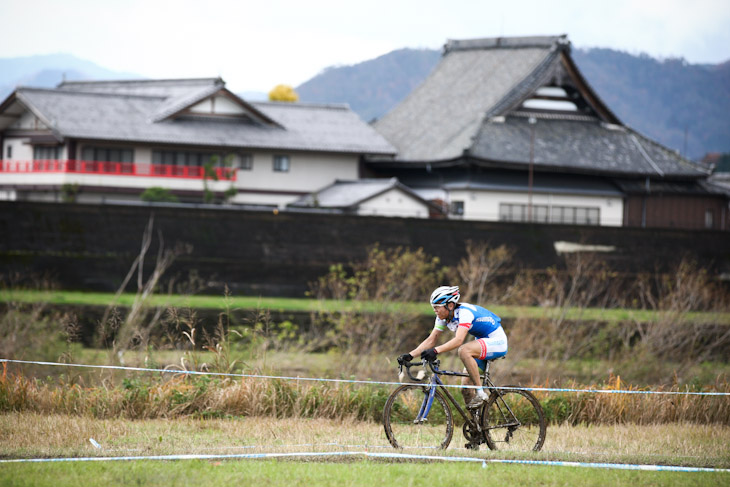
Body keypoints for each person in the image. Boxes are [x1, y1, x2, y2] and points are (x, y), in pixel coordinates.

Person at [398, 285, 507, 408]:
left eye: (437, 307)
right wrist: (410, 355)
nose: (435, 310)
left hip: (497, 342)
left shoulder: (465, 313)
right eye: (434, 308)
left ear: (450, 305)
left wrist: (435, 351)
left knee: (464, 350)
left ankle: (480, 392)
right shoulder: (442, 317)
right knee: (465, 388)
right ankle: (477, 425)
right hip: (482, 343)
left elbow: (458, 340)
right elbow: (431, 339)